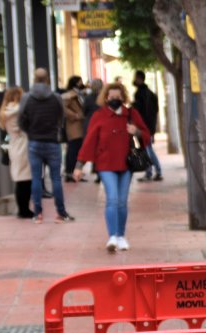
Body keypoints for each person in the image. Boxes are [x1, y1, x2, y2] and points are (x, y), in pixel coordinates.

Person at [74, 82, 151, 252]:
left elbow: (146, 135)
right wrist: (79, 165)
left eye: (118, 97)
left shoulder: (131, 114)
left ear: (123, 97)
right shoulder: (99, 116)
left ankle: (121, 236)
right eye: (111, 97)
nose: (115, 99)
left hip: (126, 164)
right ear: (106, 98)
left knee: (122, 202)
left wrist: (136, 132)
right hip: (106, 164)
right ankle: (112, 236)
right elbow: (89, 141)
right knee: (112, 199)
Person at [20, 68, 74, 223]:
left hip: (34, 141)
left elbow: (21, 119)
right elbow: (61, 117)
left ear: (34, 78)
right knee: (56, 178)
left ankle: (37, 214)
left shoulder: (27, 98)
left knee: (36, 178)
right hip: (52, 141)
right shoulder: (56, 97)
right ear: (47, 79)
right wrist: (55, 129)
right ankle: (61, 213)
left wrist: (30, 131)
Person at [0, 87, 33, 218]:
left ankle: (22, 209)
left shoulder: (5, 111)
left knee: (20, 181)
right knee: (26, 181)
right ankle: (24, 210)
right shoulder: (20, 110)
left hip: (14, 146)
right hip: (24, 145)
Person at [132, 70, 163, 181]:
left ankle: (154, 172)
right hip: (149, 126)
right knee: (147, 149)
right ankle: (153, 172)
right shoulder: (150, 93)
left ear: (139, 79)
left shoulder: (140, 94)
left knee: (147, 149)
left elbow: (140, 112)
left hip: (144, 127)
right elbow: (155, 110)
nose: (134, 80)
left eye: (136, 78)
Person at [62, 76, 86, 182]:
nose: (82, 83)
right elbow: (64, 108)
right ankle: (69, 172)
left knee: (78, 149)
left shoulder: (80, 94)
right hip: (73, 126)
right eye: (80, 82)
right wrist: (75, 115)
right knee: (73, 149)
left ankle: (75, 173)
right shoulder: (69, 95)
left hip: (80, 125)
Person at [82, 78, 103, 183]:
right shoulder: (104, 98)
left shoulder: (88, 98)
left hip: (90, 124)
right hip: (102, 124)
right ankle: (99, 171)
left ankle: (96, 169)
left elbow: (84, 111)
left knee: (93, 148)